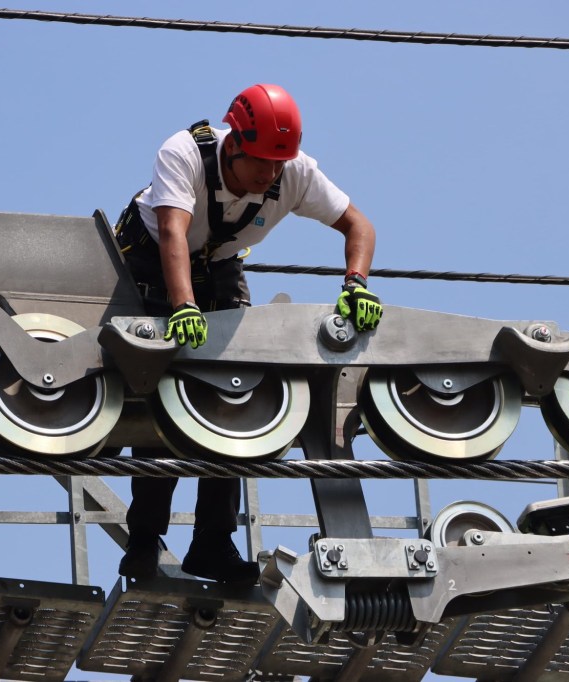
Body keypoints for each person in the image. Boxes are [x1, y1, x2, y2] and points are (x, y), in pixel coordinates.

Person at [115, 84, 382, 586]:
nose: (269, 174)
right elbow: (172, 233)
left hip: (218, 268)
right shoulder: (184, 153)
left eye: (278, 163)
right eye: (260, 161)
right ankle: (144, 540)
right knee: (161, 397)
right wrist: (184, 306)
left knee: (238, 398)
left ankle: (212, 543)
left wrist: (356, 285)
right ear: (234, 143)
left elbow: (359, 226)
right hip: (150, 265)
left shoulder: (295, 172)